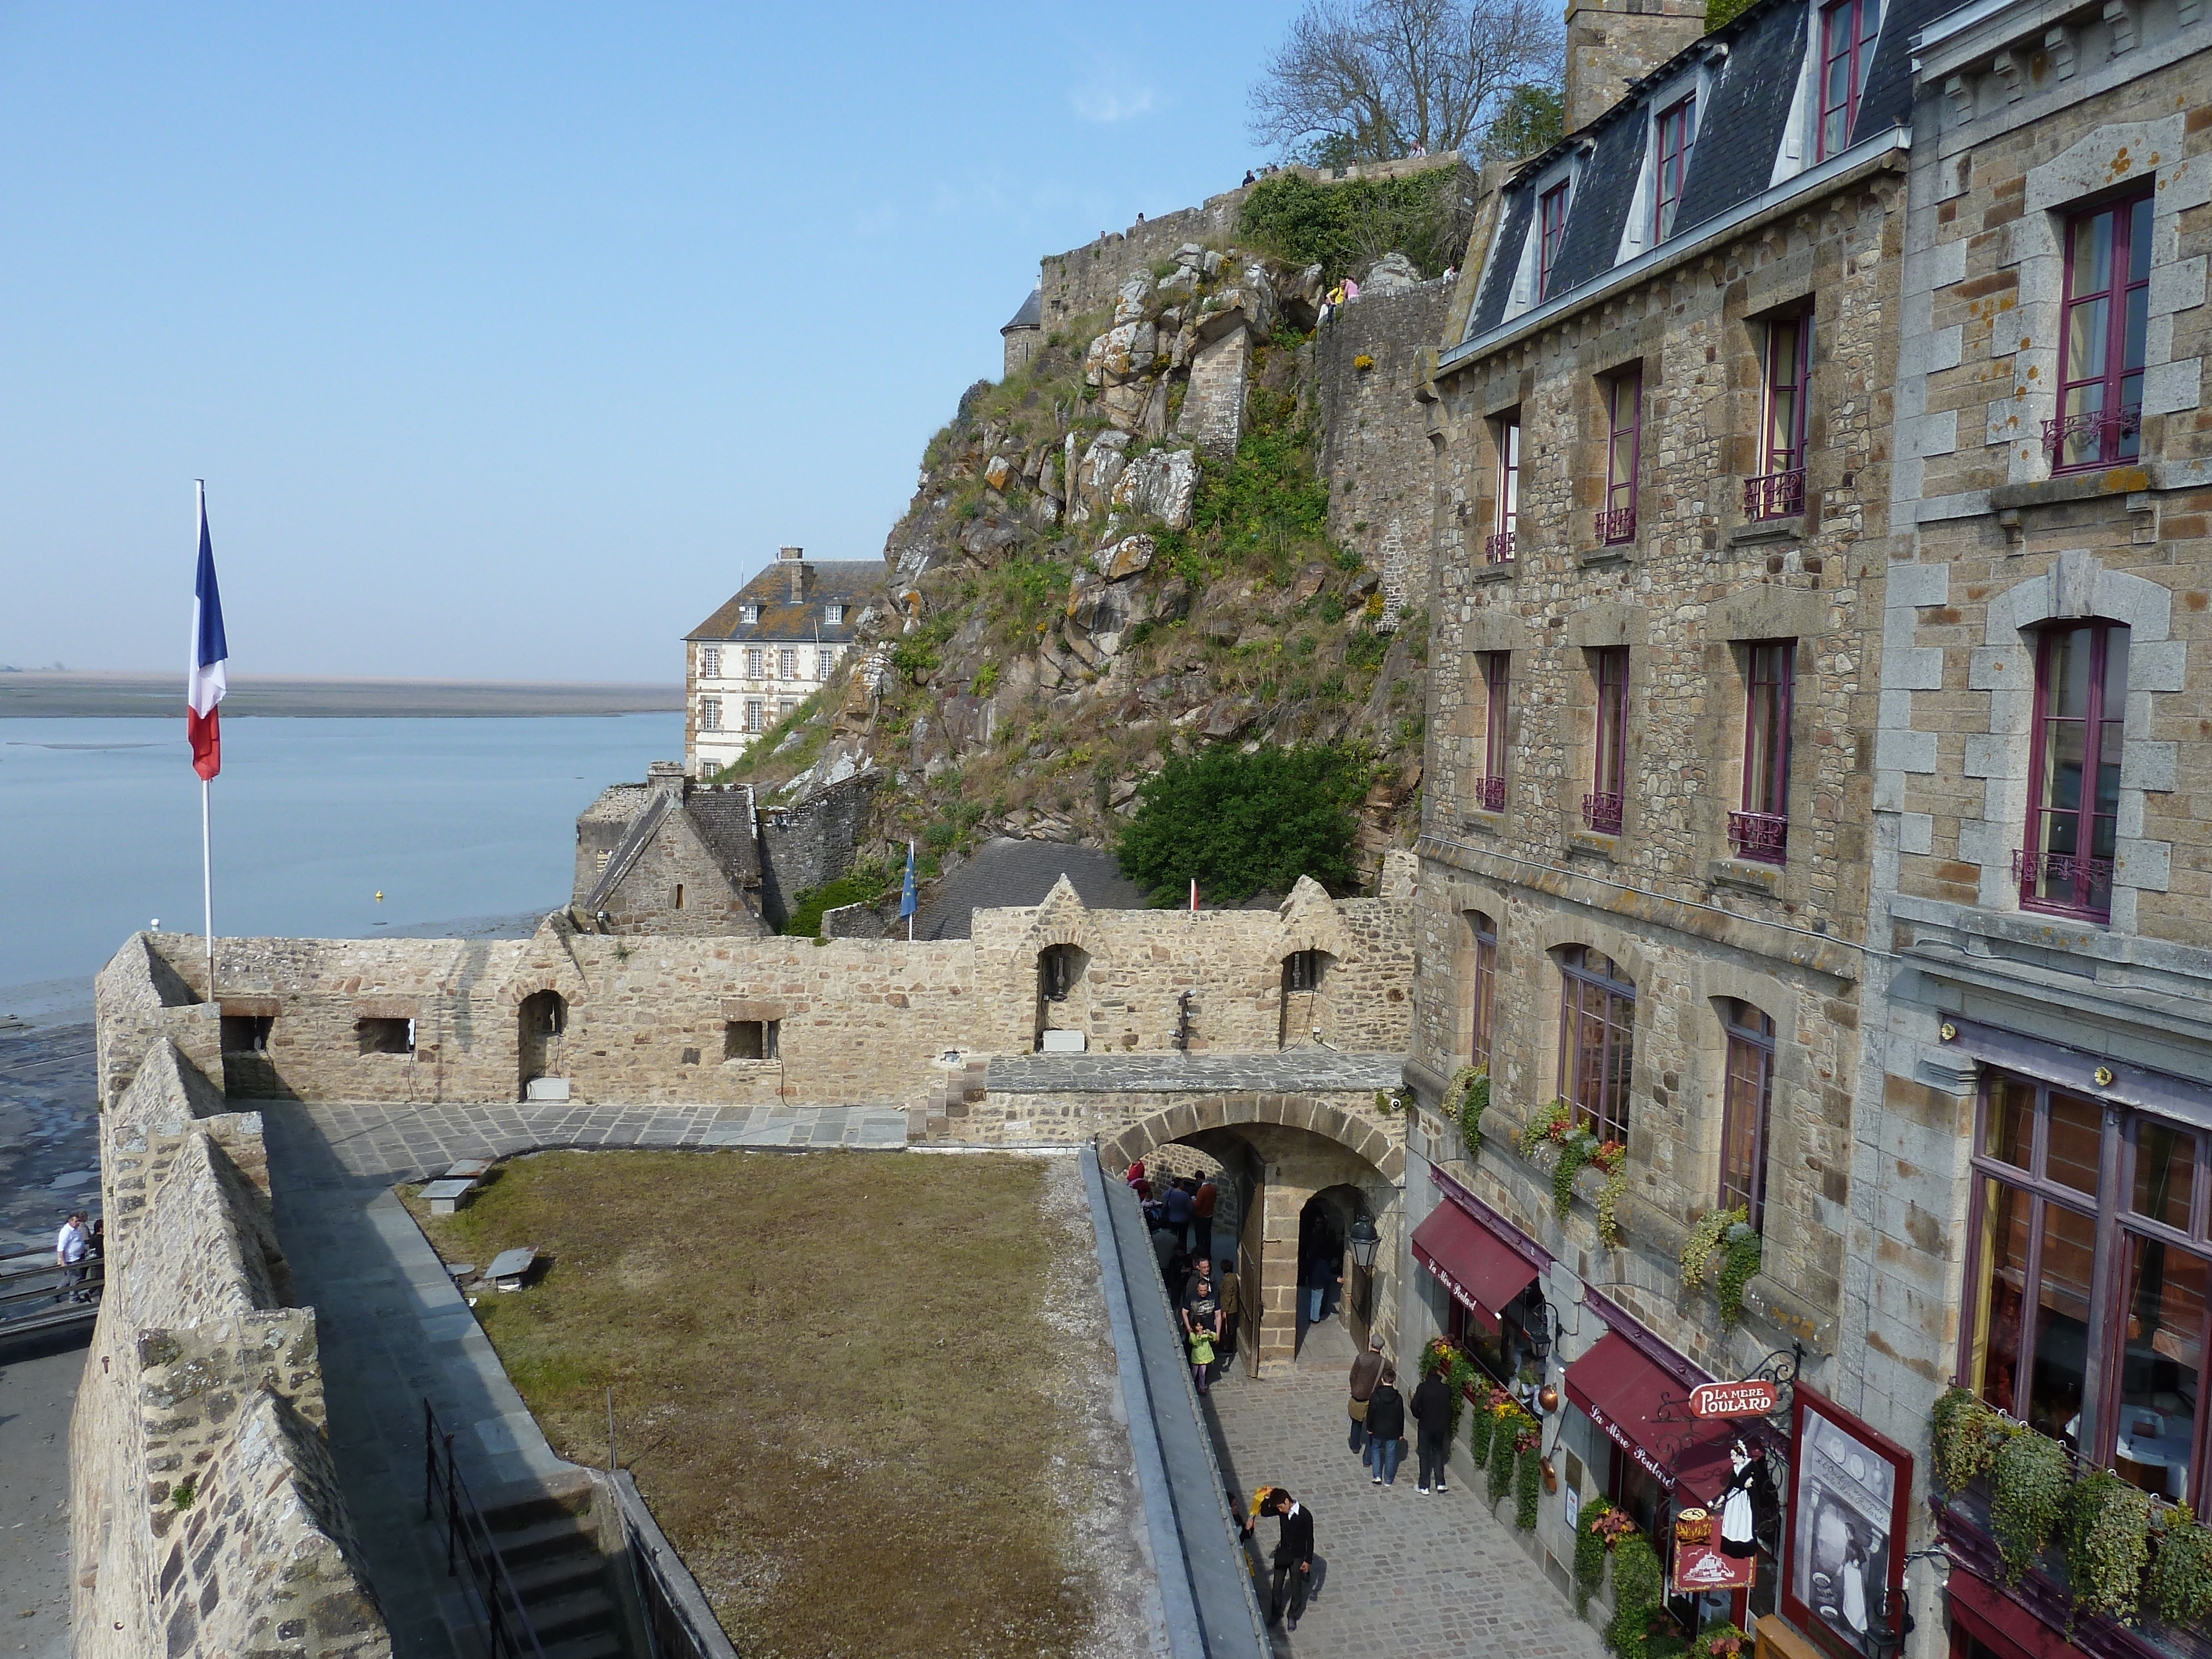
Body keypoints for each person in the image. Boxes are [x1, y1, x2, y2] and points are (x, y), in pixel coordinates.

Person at [1242, 1489, 1315, 1629]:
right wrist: (1266, 1497)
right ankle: (1276, 1613)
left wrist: (1308, 1561)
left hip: (1297, 1556)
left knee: (1296, 1588)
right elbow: (1265, 1512)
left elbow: (1310, 1539)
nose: (1280, 1511)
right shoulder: (1282, 1511)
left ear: (1287, 1501)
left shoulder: (1305, 1516)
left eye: (1281, 1507)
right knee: (1276, 1587)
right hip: (1283, 1554)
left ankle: (1292, 1615)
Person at [1411, 1359, 1455, 1493]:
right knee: (1438, 1453)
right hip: (1440, 1428)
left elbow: (1414, 1405)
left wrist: (1419, 1415)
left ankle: (1424, 1485)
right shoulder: (1446, 1389)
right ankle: (1441, 1483)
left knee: (1424, 1455)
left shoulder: (1423, 1388)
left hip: (1425, 1426)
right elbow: (1449, 1409)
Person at [1181, 1259, 1222, 1391]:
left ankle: (1203, 1382)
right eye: (1201, 1291)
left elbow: (1218, 1315)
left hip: (1208, 1330)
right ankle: (1192, 1380)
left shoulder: (1214, 1297)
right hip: (1195, 1329)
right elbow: (1184, 1312)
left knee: (1207, 1358)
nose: (1203, 1293)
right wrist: (1188, 1328)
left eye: (1205, 1291)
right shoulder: (1192, 1297)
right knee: (1193, 1356)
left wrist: (1218, 1333)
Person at [1364, 1363, 1406, 1485]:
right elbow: (1401, 1417)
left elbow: (1371, 1413)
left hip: (1377, 1429)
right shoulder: (1398, 1398)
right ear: (1393, 1381)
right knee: (1391, 1454)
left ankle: (1377, 1476)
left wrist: (1369, 1428)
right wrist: (1400, 1433)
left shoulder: (1376, 1396)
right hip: (1393, 1431)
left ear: (1382, 1380)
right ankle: (1388, 1480)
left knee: (1376, 1449)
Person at [1347, 1334, 1384, 1455]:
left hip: (1360, 1396)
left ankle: (1355, 1446)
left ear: (1371, 1344)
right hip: (1374, 1398)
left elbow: (1353, 1376)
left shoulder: (1361, 1358)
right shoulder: (1385, 1363)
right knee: (1371, 1426)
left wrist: (1355, 1389)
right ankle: (1368, 1455)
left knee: (1356, 1423)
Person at [54, 1211, 90, 1302]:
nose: (78, 1223)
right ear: (70, 1221)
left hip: (76, 1256)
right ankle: (73, 1298)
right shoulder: (66, 1232)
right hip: (72, 1258)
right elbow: (61, 1247)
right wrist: (63, 1262)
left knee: (69, 1278)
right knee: (76, 1277)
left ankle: (57, 1293)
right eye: (76, 1221)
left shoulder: (74, 1229)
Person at [1303, 1247, 1339, 1324]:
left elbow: (1306, 1271)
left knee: (1313, 1300)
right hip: (1320, 1284)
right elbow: (1327, 1275)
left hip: (1312, 1283)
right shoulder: (1323, 1262)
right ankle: (1316, 1318)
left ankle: (1311, 1317)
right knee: (1318, 1301)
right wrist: (1336, 1279)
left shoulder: (1310, 1261)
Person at [1215, 1259, 1241, 1362]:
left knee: (1227, 1329)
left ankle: (1227, 1348)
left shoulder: (1228, 1281)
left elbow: (1227, 1296)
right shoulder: (1232, 1277)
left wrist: (1224, 1311)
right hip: (1230, 1308)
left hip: (1229, 1309)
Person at [1163, 1176, 1195, 1251]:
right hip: (1184, 1220)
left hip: (1172, 1219)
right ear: (1180, 1184)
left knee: (1173, 1237)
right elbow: (1190, 1209)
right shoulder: (1185, 1195)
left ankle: (1172, 1251)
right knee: (1183, 1239)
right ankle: (1182, 1253)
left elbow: (1165, 1195)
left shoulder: (1171, 1193)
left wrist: (1172, 1188)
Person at [1192, 1175, 1217, 1265]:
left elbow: (1198, 1205)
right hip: (1209, 1215)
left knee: (1199, 1237)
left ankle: (1201, 1255)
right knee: (1207, 1235)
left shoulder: (1202, 1190)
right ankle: (1208, 1254)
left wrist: (1193, 1200)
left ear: (1199, 1179)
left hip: (1201, 1216)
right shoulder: (1213, 1188)